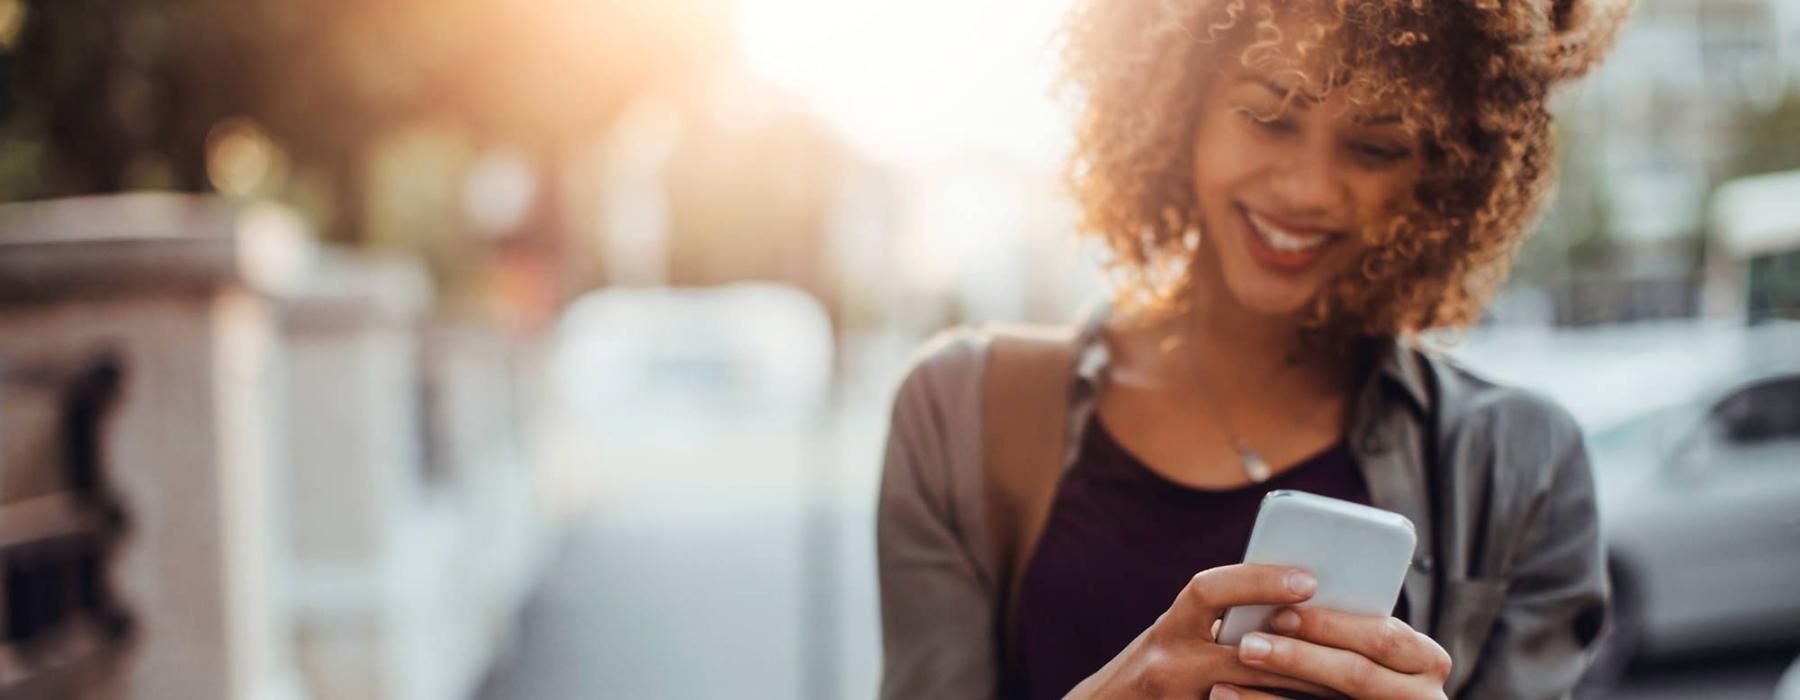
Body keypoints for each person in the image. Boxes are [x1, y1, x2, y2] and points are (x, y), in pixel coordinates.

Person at [876, 0, 1632, 698]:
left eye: (1375, 147)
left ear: (1444, 176)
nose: (1306, 189)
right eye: (1270, 117)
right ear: (1179, 105)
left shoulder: (1524, 467)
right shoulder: (964, 411)